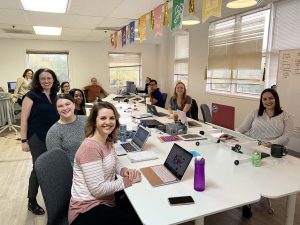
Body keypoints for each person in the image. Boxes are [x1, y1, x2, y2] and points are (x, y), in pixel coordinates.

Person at [68, 101, 142, 225]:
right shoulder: (90, 147)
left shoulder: (106, 139)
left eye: (111, 118)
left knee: (138, 209)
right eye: (103, 118)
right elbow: (98, 189)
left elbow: (114, 161)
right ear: (94, 121)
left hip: (104, 202)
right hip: (86, 209)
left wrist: (125, 171)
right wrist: (128, 181)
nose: (108, 122)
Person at [20, 68, 60, 215]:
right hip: (37, 137)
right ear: (38, 80)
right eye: (43, 78)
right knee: (38, 168)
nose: (46, 81)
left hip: (53, 136)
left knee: (54, 166)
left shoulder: (56, 95)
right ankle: (31, 200)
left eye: (49, 78)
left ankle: (54, 196)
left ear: (54, 79)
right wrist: (24, 141)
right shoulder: (31, 96)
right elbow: (23, 120)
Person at [46, 94, 86, 164]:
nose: (65, 108)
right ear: (56, 109)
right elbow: (58, 161)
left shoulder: (87, 120)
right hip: (74, 171)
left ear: (74, 105)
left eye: (67, 104)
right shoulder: (53, 132)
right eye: (60, 106)